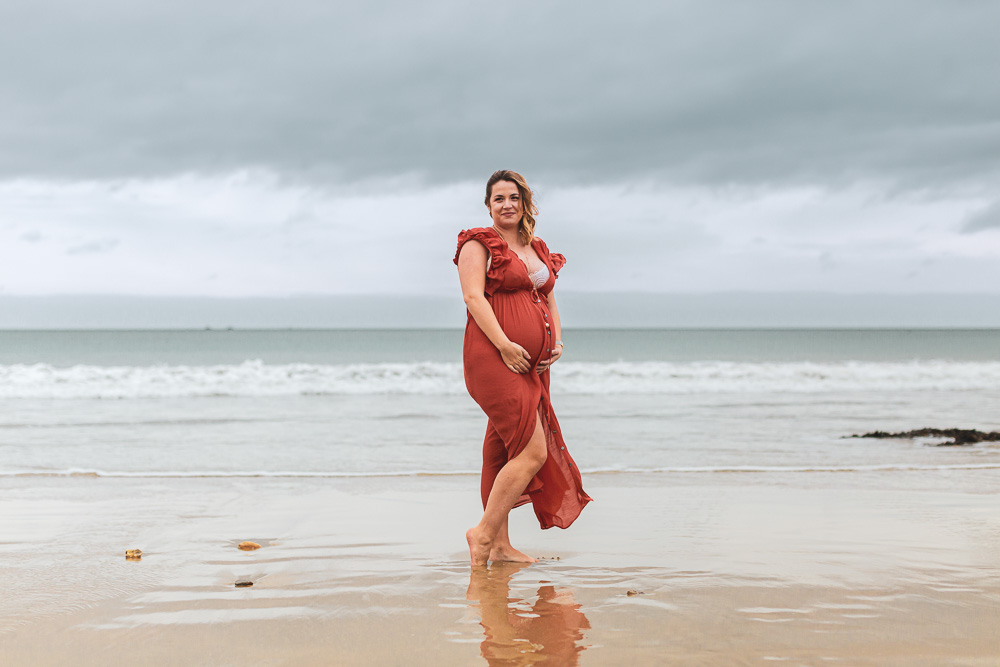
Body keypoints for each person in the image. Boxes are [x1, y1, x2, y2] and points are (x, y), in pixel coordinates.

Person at [455, 169, 592, 568]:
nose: (507, 204)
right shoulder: (478, 244)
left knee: (498, 451)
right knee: (533, 452)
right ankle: (482, 535)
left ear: (524, 202)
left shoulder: (537, 247)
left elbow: (549, 301)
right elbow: (473, 297)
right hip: (495, 357)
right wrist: (505, 345)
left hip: (534, 363)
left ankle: (500, 546)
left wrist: (557, 343)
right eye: (499, 198)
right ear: (488, 206)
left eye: (513, 197)